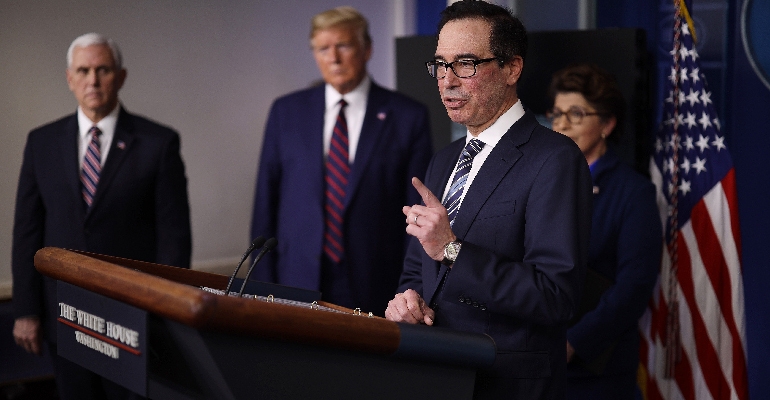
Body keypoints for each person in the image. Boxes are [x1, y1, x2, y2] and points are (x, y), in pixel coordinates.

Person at [384, 1, 592, 398]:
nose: (447, 81)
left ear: (512, 69)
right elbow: (419, 266)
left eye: (465, 64)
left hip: (505, 383)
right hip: (436, 375)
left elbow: (555, 296)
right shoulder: (444, 160)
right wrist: (407, 301)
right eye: (440, 65)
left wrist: (452, 250)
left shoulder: (554, 158)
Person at [11, 32, 192, 399]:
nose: (92, 80)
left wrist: (166, 314)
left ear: (120, 77)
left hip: (133, 318)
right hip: (64, 313)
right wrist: (26, 310)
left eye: (103, 70)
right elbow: (27, 232)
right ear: (69, 78)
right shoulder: (41, 143)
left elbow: (174, 237)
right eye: (83, 71)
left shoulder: (158, 143)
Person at [250, 6, 433, 315]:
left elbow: (417, 210)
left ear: (367, 49)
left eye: (343, 46)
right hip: (296, 278)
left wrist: (410, 288)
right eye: (323, 49)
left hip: (377, 283)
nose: (333, 58)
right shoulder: (286, 112)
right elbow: (265, 205)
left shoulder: (407, 116)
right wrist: (261, 288)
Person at [547, 63, 661, 399]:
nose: (562, 124)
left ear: (607, 124)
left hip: (594, 371)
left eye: (576, 114)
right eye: (557, 113)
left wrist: (574, 342)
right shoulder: (540, 182)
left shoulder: (633, 192)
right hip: (535, 359)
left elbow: (634, 286)